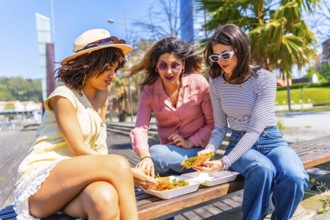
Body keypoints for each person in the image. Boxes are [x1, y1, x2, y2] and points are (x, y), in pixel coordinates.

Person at [14, 29, 156, 220]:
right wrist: (126, 172)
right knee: (119, 164)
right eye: (107, 68)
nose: (112, 75)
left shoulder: (101, 97)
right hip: (44, 184)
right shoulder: (63, 96)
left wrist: (116, 172)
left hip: (75, 188)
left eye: (115, 69)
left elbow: (100, 149)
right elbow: (79, 149)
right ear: (88, 65)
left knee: (104, 198)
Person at [194, 24, 309, 220]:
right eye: (215, 56)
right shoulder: (217, 85)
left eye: (225, 54)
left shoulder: (264, 79)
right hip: (239, 144)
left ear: (240, 49)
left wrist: (223, 162)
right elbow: (220, 127)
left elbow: (256, 129)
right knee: (262, 168)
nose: (220, 61)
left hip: (271, 140)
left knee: (295, 177)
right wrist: (210, 149)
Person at [129, 37, 214, 177]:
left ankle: (196, 164)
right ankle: (187, 169)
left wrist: (189, 142)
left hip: (197, 151)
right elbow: (140, 128)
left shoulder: (199, 83)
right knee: (153, 156)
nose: (169, 72)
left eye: (175, 65)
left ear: (183, 64)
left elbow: (212, 124)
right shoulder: (148, 91)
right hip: (166, 154)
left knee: (156, 154)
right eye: (163, 66)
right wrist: (145, 156)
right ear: (156, 66)